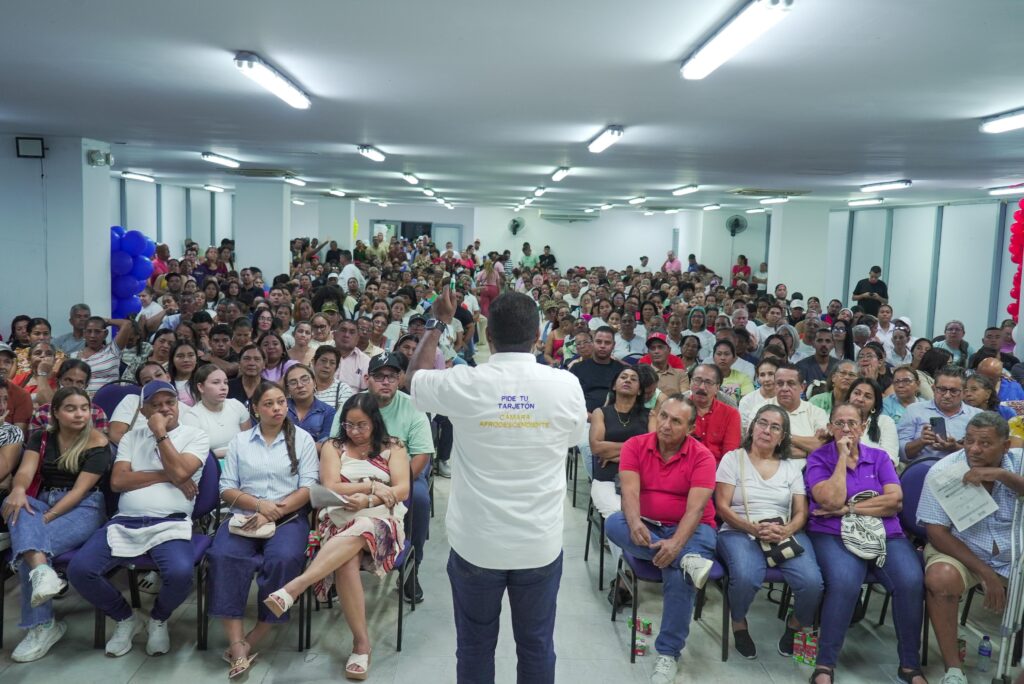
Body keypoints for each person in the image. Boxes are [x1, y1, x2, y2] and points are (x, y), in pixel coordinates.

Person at [407, 289, 587, 684]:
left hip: (476, 545)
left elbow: (414, 380)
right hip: (538, 543)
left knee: (474, 645)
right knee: (537, 645)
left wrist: (438, 322)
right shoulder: (565, 385)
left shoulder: (466, 382)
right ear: (538, 334)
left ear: (489, 337)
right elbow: (574, 438)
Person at [263, 393, 410, 679]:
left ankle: (295, 587)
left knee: (366, 527)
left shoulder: (394, 447)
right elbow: (330, 485)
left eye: (362, 425)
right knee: (346, 561)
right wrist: (372, 487)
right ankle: (362, 644)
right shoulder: (334, 446)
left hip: (381, 519)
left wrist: (368, 502)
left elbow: (401, 490)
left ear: (375, 422)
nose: (354, 432)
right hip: (340, 518)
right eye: (349, 425)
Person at [67, 380, 209, 657]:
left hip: (171, 522)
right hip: (126, 520)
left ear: (178, 405)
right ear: (144, 411)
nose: (164, 409)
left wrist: (160, 435)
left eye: (169, 403)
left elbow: (183, 475)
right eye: (156, 405)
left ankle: (158, 618)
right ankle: (125, 618)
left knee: (180, 574)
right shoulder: (132, 437)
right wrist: (166, 475)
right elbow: (118, 481)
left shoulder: (196, 436)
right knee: (80, 570)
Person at [805, 403, 927, 684]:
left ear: (862, 427)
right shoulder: (818, 459)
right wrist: (841, 458)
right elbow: (830, 501)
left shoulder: (880, 457)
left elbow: (894, 501)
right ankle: (825, 665)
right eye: (839, 423)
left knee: (910, 581)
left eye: (852, 423)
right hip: (831, 532)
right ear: (830, 428)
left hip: (885, 533)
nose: (846, 429)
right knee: (846, 582)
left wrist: (850, 509)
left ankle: (910, 665)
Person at [208, 381, 318, 679]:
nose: (277, 409)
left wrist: (275, 511)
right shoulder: (240, 442)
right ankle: (235, 642)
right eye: (268, 404)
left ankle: (253, 638)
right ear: (255, 409)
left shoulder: (303, 439)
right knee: (224, 556)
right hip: (245, 515)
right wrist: (258, 506)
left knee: (283, 559)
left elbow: (308, 488)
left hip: (288, 518)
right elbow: (226, 488)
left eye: (281, 402)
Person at [604, 395, 717, 684]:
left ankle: (667, 655)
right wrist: (634, 521)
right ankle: (687, 562)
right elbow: (629, 493)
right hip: (647, 524)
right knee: (614, 523)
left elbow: (696, 509)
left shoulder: (702, 456)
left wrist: (677, 543)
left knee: (680, 578)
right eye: (663, 416)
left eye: (676, 421)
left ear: (690, 428)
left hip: (692, 529)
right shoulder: (635, 445)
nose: (665, 425)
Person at [1, 387, 111, 662]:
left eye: (84, 408)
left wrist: (45, 519)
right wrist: (17, 490)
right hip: (43, 498)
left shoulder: (98, 442)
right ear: (56, 413)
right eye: (71, 408)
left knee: (30, 552)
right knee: (12, 505)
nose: (79, 414)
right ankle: (44, 575)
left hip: (84, 506)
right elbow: (25, 472)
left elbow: (78, 492)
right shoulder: (41, 436)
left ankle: (43, 627)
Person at [918, 412, 1024, 684]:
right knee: (941, 578)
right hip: (963, 551)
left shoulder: (1020, 460)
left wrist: (1001, 474)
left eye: (985, 443)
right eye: (969, 441)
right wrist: (986, 573)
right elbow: (937, 533)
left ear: (1006, 445)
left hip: (1015, 551)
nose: (974, 449)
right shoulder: (943, 471)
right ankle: (953, 670)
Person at [715, 405, 823, 660]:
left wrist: (787, 529)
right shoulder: (733, 458)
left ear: (783, 436)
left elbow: (801, 512)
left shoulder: (790, 468)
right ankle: (739, 622)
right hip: (738, 529)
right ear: (752, 427)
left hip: (782, 531)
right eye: (762, 423)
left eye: (775, 427)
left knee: (812, 583)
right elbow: (722, 506)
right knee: (745, 575)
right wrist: (752, 528)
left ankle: (795, 625)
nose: (767, 430)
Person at [588, 365, 654, 604]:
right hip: (606, 479)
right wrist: (635, 449)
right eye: (623, 377)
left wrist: (616, 452)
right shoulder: (600, 413)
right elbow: (596, 447)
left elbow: (654, 450)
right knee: (618, 516)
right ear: (614, 385)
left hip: (641, 480)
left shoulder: (650, 416)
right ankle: (626, 573)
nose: (627, 380)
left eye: (633, 378)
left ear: (639, 390)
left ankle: (626, 573)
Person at [899, 366, 982, 462]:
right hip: (922, 470)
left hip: (961, 472)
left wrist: (955, 448)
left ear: (964, 392)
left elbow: (982, 454)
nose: (947, 396)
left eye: (953, 391)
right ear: (933, 389)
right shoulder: (914, 410)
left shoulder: (977, 416)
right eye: (942, 390)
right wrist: (921, 442)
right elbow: (900, 453)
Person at [181, 365, 251, 458]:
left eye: (225, 382)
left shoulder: (237, 405)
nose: (223, 387)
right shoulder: (191, 417)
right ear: (201, 387)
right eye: (216, 382)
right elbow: (195, 455)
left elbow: (249, 442)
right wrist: (232, 451)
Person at [29, 359, 110, 434]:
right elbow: (33, 446)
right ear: (58, 381)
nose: (73, 386)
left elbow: (102, 447)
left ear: (86, 386)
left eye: (80, 382)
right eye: (68, 380)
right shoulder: (41, 413)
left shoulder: (97, 413)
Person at [687, 363, 741, 463]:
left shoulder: (730, 414)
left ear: (717, 388)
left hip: (717, 470)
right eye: (697, 380)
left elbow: (729, 455)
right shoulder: (679, 408)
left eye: (708, 382)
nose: (702, 387)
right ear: (690, 382)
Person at [848, 377, 899, 465]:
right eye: (856, 393)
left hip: (874, 474)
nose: (860, 399)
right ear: (849, 396)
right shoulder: (836, 420)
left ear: (874, 404)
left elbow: (890, 458)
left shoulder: (884, 422)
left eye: (867, 397)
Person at [283, 364, 336, 446]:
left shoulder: (328, 412)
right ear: (288, 389)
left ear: (314, 382)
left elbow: (325, 445)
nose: (300, 385)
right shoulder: (281, 408)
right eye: (293, 382)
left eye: (304, 379)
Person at [739, 357, 780, 434]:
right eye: (762, 375)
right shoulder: (747, 401)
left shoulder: (785, 399)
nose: (766, 379)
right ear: (757, 378)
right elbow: (744, 431)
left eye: (771, 374)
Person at [334, 319, 370, 392]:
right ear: (334, 334)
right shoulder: (323, 354)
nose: (346, 335)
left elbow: (365, 393)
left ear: (357, 338)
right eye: (343, 330)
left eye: (352, 332)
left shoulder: (365, 361)